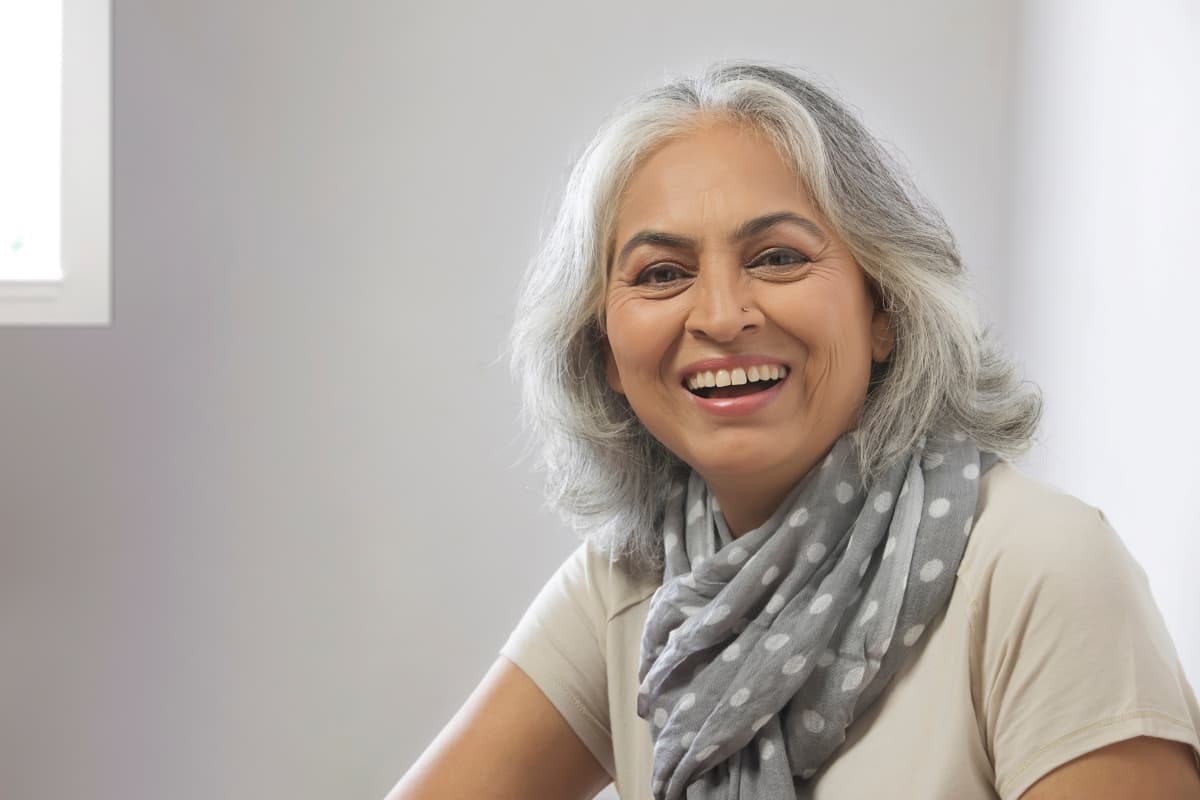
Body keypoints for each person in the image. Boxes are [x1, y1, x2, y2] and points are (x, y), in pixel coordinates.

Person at [387, 62, 1200, 799]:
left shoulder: (1038, 566)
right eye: (663, 274)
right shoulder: (635, 578)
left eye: (777, 258)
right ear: (602, 348)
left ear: (885, 308)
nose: (721, 316)